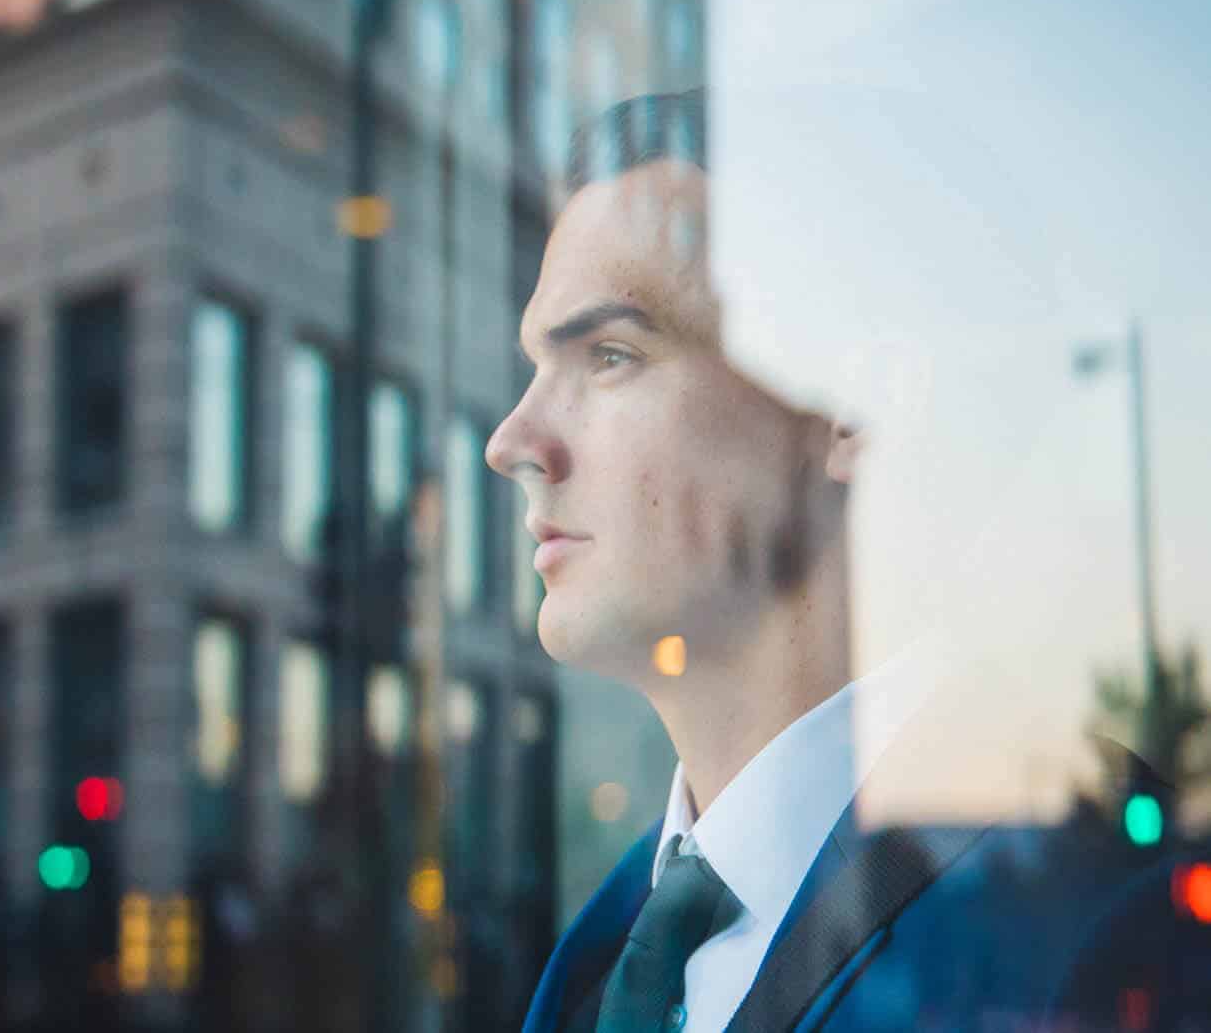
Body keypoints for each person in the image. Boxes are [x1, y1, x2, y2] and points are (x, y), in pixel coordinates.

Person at [491, 90, 1207, 1033]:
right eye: (539, 367)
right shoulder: (594, 963)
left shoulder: (1092, 933)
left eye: (612, 355)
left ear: (842, 399)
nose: (514, 440)